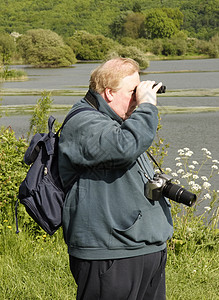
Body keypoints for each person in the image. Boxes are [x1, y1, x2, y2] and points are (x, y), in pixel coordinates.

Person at [58, 57, 173, 300]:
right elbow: (124, 147)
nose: (138, 99)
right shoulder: (84, 122)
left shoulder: (117, 122)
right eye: (133, 92)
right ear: (109, 93)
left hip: (143, 249)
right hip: (109, 254)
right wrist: (148, 107)